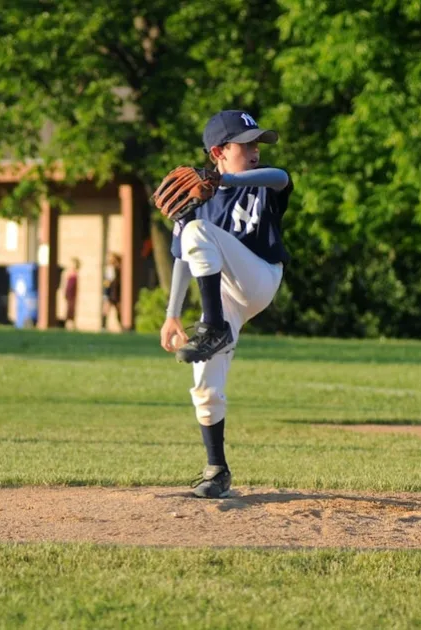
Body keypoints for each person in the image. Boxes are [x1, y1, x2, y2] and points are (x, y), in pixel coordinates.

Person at [158, 110, 292, 498]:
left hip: (260, 276)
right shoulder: (195, 202)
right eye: (246, 144)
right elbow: (184, 256)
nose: (255, 151)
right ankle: (217, 469)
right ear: (218, 150)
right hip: (224, 296)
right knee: (204, 384)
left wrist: (226, 180)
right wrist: (171, 316)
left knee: (199, 231)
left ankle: (213, 327)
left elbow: (280, 177)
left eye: (257, 144)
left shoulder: (260, 182)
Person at [101, 252, 122, 331]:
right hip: (110, 293)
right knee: (106, 310)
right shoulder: (109, 269)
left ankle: (121, 326)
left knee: (118, 310)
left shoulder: (118, 268)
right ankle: (103, 326)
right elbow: (107, 282)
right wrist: (105, 293)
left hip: (116, 293)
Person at [64, 257, 81, 330]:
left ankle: (72, 324)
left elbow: (74, 286)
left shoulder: (75, 275)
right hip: (69, 294)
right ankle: (68, 324)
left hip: (72, 295)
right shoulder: (70, 274)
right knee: (69, 309)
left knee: (71, 310)